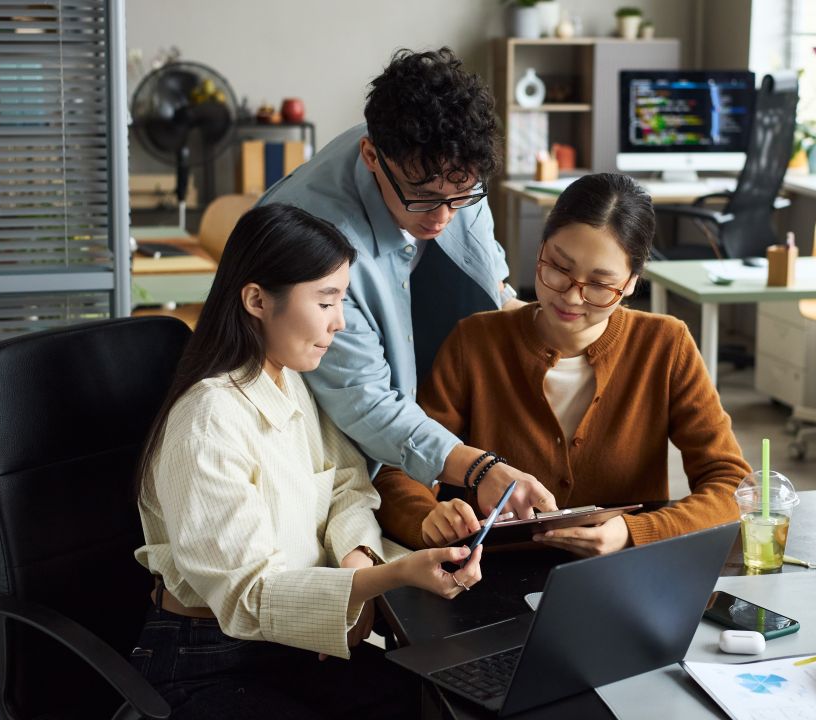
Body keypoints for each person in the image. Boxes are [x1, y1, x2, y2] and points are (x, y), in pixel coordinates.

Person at [130, 204, 484, 719]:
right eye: (325, 301)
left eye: (341, 299)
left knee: (436, 703)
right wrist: (384, 579)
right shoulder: (208, 418)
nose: (339, 322)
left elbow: (347, 485)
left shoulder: (289, 378)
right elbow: (248, 597)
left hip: (290, 644)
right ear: (256, 299)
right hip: (206, 657)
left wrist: (356, 562)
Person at [373, 174, 752, 556]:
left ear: (633, 282)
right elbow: (398, 468)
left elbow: (733, 486)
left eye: (601, 285)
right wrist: (428, 515)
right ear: (540, 247)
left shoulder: (666, 345)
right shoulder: (475, 342)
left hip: (625, 575)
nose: (571, 297)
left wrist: (632, 532)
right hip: (489, 576)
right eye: (557, 268)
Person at [257, 48, 557, 522]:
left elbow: (487, 270)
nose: (442, 218)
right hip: (329, 436)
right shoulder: (314, 240)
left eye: (462, 196)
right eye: (422, 197)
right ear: (373, 156)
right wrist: (479, 467)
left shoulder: (451, 161)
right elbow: (364, 402)